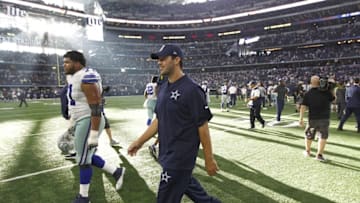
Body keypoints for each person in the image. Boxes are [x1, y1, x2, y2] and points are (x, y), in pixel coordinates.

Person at [128, 44, 220, 203]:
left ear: (177, 60)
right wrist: (139, 142)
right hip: (167, 154)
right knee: (192, 189)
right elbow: (159, 120)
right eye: (159, 60)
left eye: (163, 59)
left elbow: (202, 126)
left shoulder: (192, 90)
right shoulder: (163, 87)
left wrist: (209, 158)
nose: (159, 62)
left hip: (180, 158)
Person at [63, 51, 125, 203]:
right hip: (82, 119)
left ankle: (84, 198)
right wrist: (72, 123)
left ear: (77, 63)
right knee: (86, 156)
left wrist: (93, 133)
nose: (64, 65)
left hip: (89, 119)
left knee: (83, 160)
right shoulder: (75, 76)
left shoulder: (87, 77)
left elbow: (96, 106)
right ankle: (117, 171)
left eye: (67, 62)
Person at [299, 76, 335, 162]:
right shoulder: (327, 92)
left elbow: (303, 107)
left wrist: (301, 118)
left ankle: (307, 151)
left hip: (312, 119)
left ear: (311, 83)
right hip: (324, 118)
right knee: (323, 136)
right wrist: (332, 88)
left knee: (309, 135)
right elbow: (334, 99)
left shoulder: (308, 93)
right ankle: (319, 155)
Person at [144, 76, 159, 159]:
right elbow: (157, 92)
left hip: (149, 101)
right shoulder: (156, 85)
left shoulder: (148, 84)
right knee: (158, 117)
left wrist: (147, 98)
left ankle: (148, 130)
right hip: (155, 101)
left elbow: (145, 92)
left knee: (149, 117)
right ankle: (154, 130)